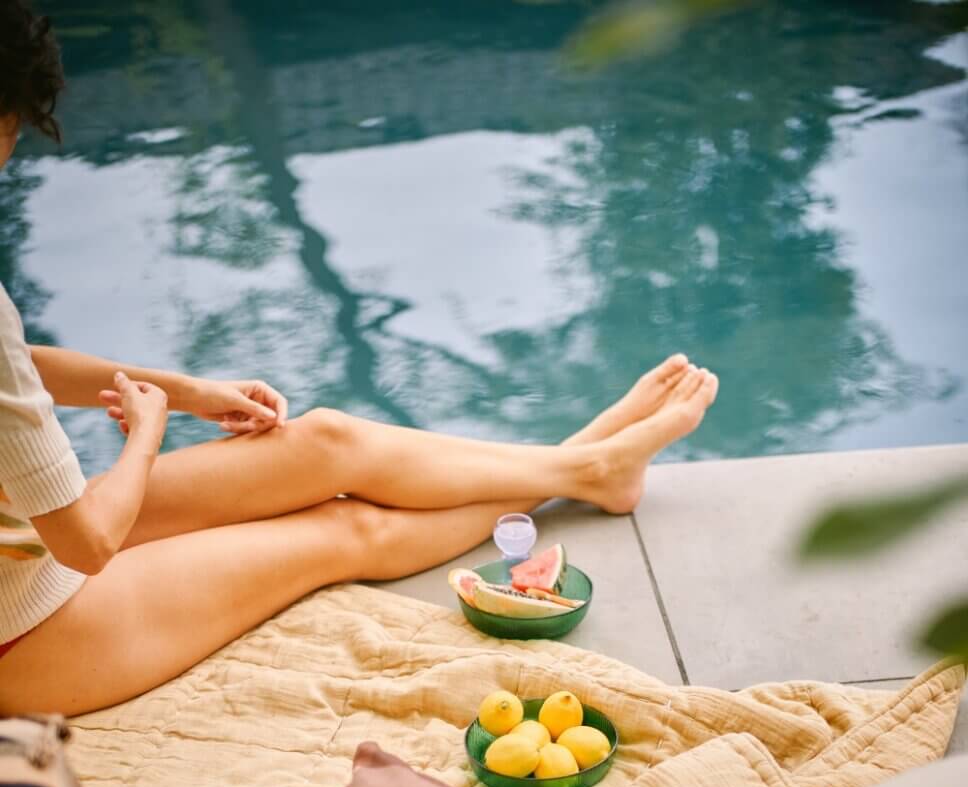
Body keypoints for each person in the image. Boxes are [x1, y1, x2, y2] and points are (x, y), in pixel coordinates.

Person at [0, 0, 718, 718]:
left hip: (32, 538)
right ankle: (589, 466)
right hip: (30, 627)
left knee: (326, 440)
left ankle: (589, 467)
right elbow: (91, 543)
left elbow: (17, 361)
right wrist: (150, 432)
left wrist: (184, 390)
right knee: (343, 530)